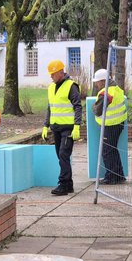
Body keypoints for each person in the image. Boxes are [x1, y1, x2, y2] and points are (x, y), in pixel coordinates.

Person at [42, 59, 82, 196]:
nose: (51, 76)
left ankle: (63, 184)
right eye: (50, 74)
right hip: (56, 128)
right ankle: (69, 184)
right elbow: (50, 107)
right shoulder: (51, 87)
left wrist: (77, 126)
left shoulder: (71, 86)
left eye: (53, 74)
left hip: (68, 128)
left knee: (63, 155)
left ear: (60, 72)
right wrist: (45, 125)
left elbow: (77, 106)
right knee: (60, 156)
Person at [92, 69, 127, 184]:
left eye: (97, 82)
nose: (96, 85)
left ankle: (112, 177)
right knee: (112, 150)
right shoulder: (115, 88)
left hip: (111, 125)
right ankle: (119, 175)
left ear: (102, 81)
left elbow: (97, 110)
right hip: (117, 124)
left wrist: (93, 107)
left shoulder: (106, 92)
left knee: (107, 151)